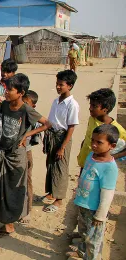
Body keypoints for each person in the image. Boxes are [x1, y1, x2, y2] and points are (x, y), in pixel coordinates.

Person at [0, 74, 49, 238]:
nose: (7, 92)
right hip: (2, 152)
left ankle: (9, 225)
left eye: (10, 89)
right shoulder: (6, 105)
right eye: (7, 88)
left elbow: (47, 124)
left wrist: (27, 135)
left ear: (21, 92)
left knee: (11, 190)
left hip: (16, 156)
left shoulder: (27, 110)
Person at [67, 124, 119, 259]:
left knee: (93, 239)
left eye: (99, 142)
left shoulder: (109, 168)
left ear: (112, 146)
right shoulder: (91, 155)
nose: (93, 145)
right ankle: (82, 252)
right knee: (84, 232)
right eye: (92, 140)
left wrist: (100, 215)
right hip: (83, 205)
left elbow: (107, 194)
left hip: (94, 211)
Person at [38, 70, 80, 214]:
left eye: (61, 85)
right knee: (50, 164)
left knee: (60, 167)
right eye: (57, 84)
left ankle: (59, 199)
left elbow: (71, 127)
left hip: (63, 138)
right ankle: (51, 192)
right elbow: (50, 121)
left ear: (70, 86)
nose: (58, 87)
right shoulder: (56, 101)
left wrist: (63, 147)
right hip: (52, 135)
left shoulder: (72, 104)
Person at [77, 88, 126, 171]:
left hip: (98, 169)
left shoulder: (117, 129)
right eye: (90, 105)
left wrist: (109, 158)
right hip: (85, 164)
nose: (90, 108)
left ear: (105, 109)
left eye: (94, 106)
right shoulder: (92, 119)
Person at [19, 90, 41, 224]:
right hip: (17, 152)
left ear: (33, 106)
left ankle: (27, 210)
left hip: (26, 152)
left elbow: (45, 124)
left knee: (27, 181)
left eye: (27, 103)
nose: (24, 105)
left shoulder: (32, 115)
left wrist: (27, 135)